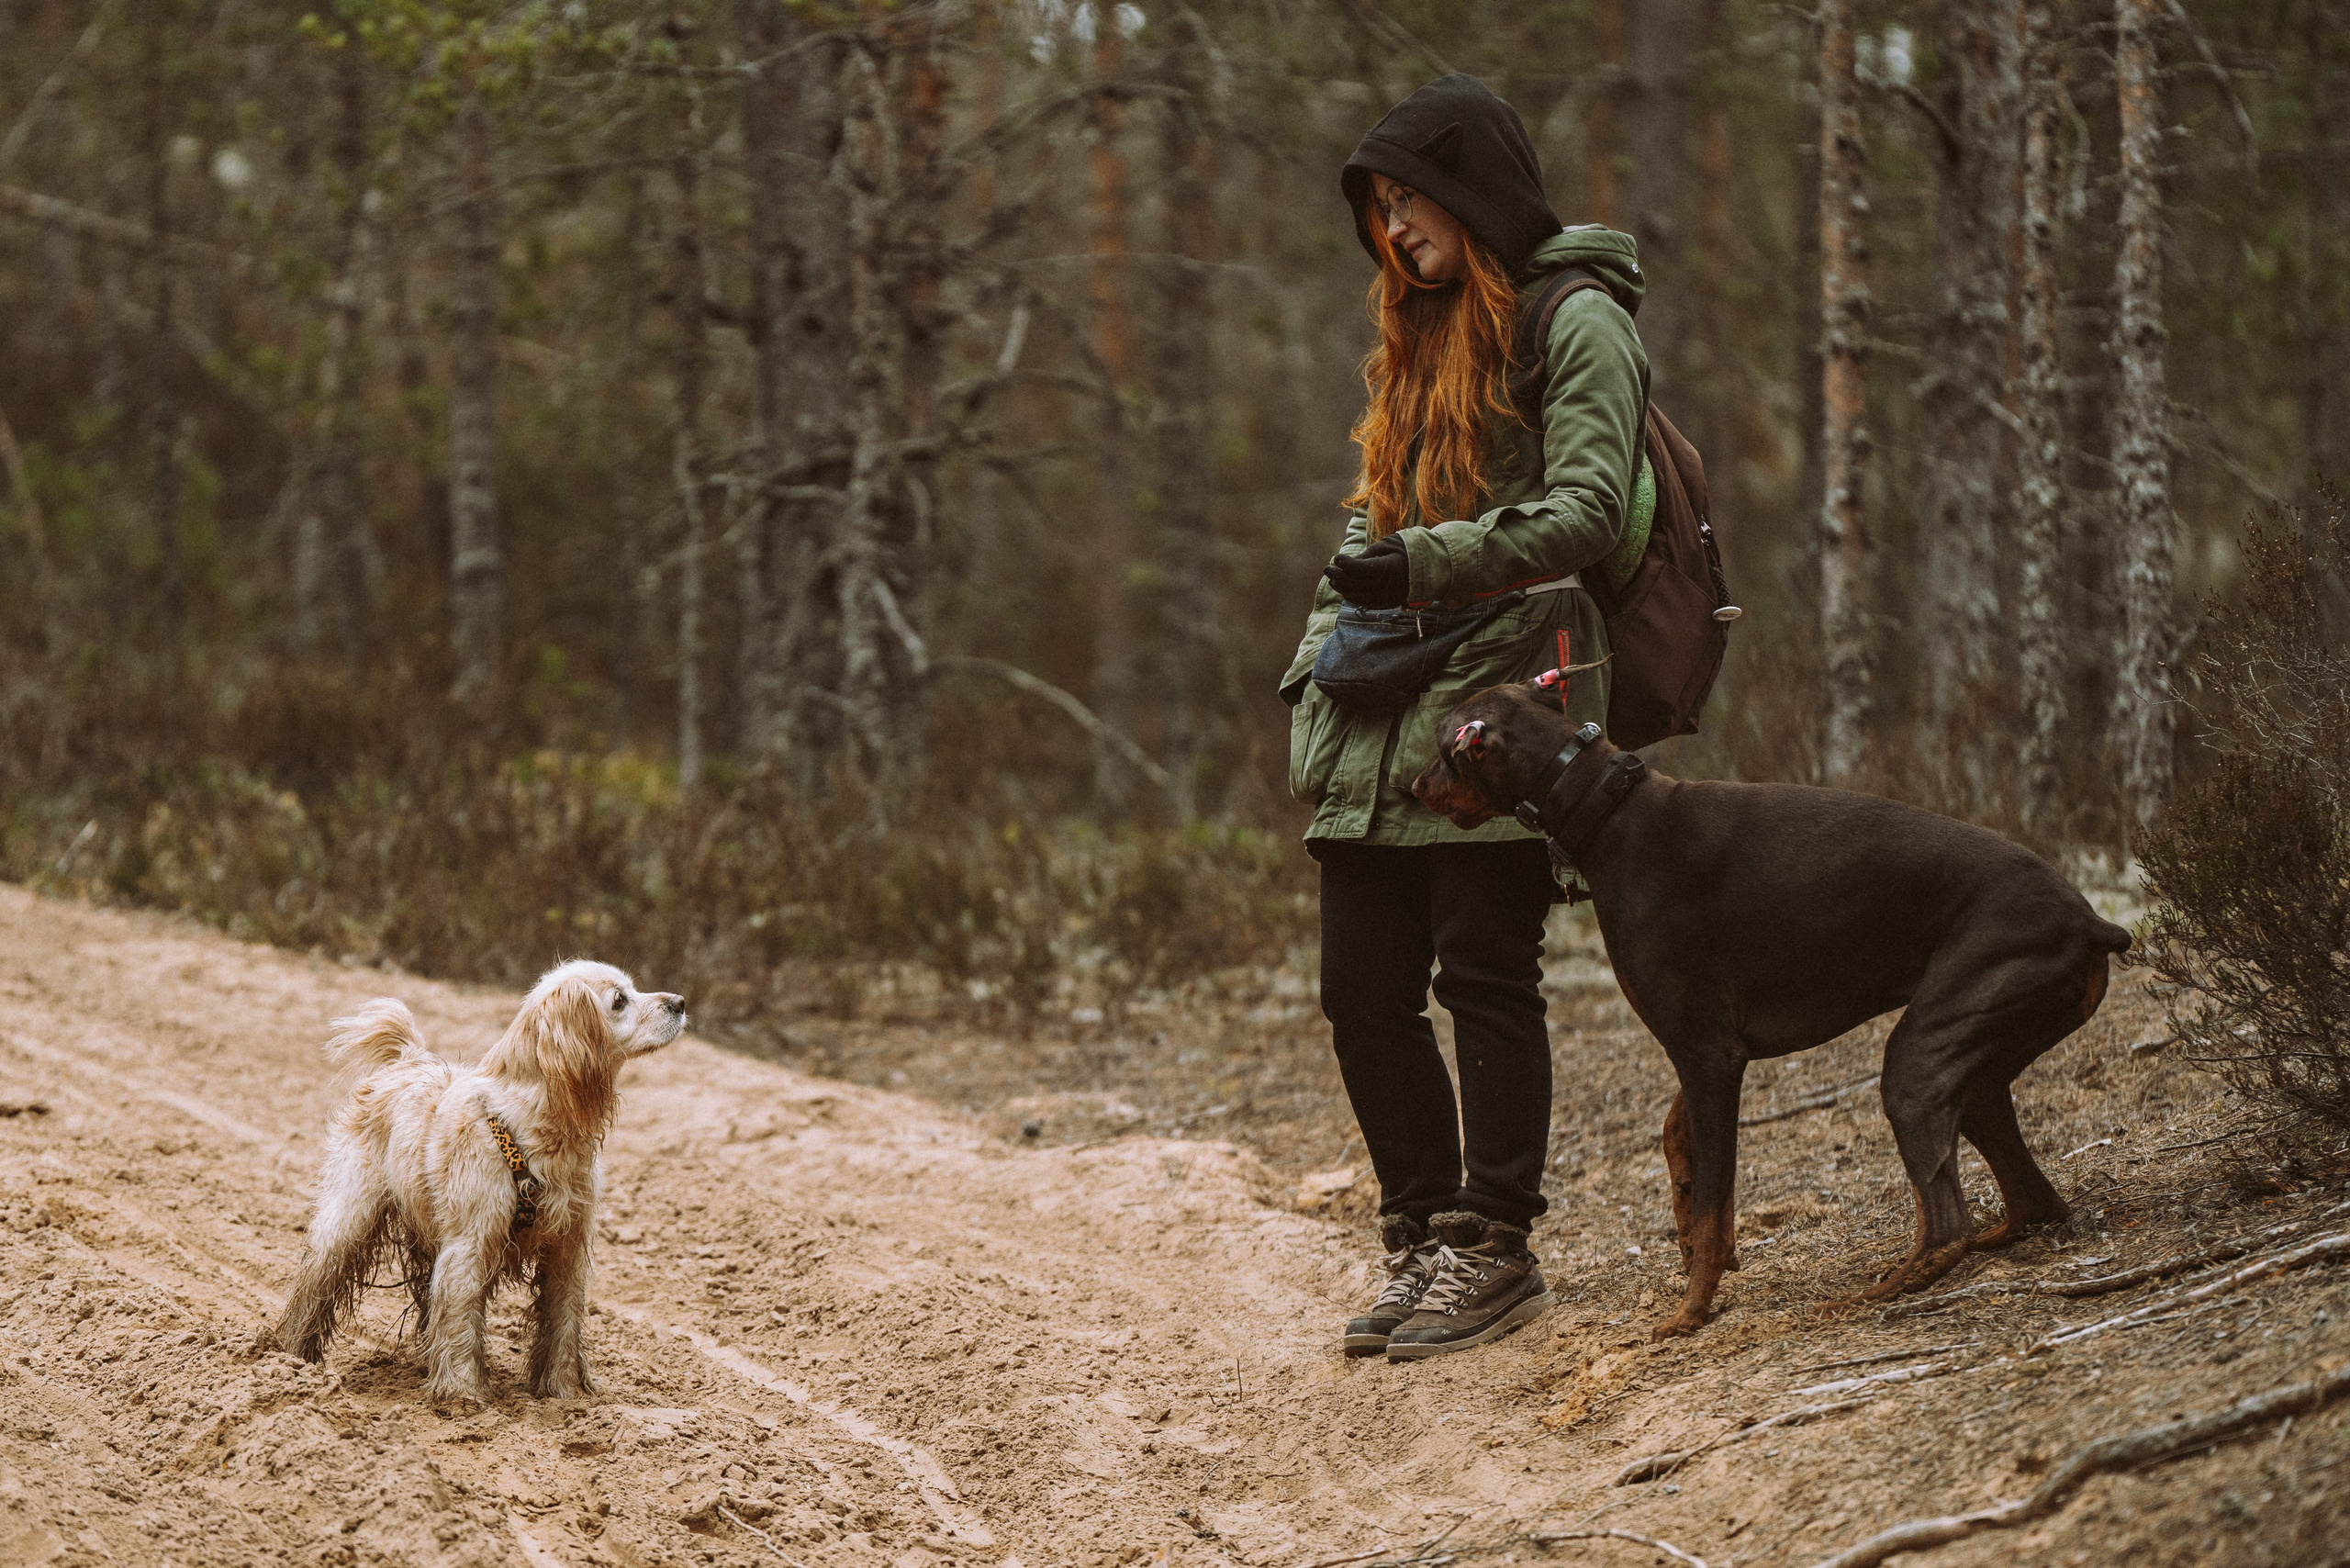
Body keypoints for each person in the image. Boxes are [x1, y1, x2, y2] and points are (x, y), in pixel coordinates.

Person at [1279, 74, 1651, 1361]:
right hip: (1385, 691)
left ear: (1472, 193)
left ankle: (1494, 1246)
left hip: (1514, 691)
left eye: (1409, 199)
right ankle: (1420, 1237)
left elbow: (1594, 507)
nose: (1394, 229)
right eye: (1377, 209)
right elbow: (1369, 513)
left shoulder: (1579, 317)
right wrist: (1327, 637)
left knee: (1483, 972)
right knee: (1359, 989)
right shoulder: (1419, 326)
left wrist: (1420, 563)